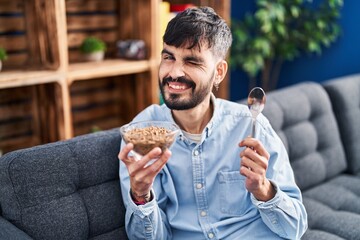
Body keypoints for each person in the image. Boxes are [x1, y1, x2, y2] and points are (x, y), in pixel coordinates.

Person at [118, 6, 307, 240]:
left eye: (192, 62)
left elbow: (295, 227)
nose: (174, 72)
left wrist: (264, 190)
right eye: (168, 57)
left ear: (219, 72)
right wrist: (140, 196)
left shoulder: (251, 125)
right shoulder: (142, 134)